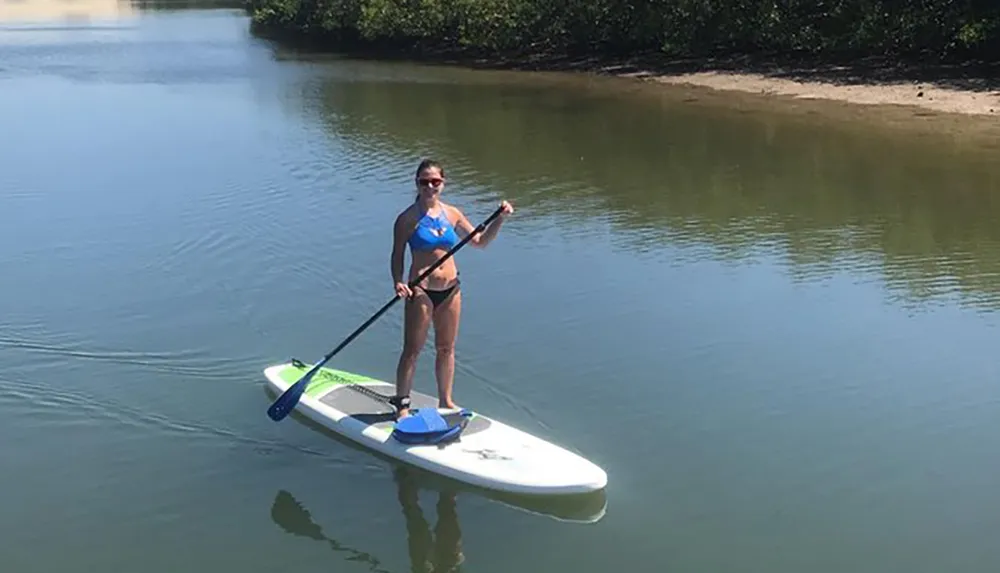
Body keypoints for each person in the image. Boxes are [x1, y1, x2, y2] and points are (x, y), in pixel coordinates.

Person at [389, 158, 513, 419]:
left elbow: (479, 242)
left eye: (435, 182)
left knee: (446, 348)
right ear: (417, 183)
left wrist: (499, 220)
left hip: (451, 289)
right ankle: (402, 404)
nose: (430, 187)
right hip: (420, 290)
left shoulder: (452, 213)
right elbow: (397, 254)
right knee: (412, 350)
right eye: (425, 182)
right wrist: (398, 281)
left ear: (443, 184)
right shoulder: (407, 219)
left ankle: (445, 400)